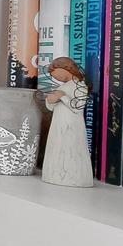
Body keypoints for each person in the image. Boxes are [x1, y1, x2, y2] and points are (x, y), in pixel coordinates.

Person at [41, 57, 96, 187]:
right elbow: (51, 107)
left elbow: (78, 106)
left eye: (55, 73)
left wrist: (62, 96)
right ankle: (55, 173)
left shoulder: (80, 86)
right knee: (58, 147)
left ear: (66, 69)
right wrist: (50, 100)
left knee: (71, 149)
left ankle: (73, 176)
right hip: (58, 124)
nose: (54, 77)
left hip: (72, 125)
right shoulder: (63, 86)